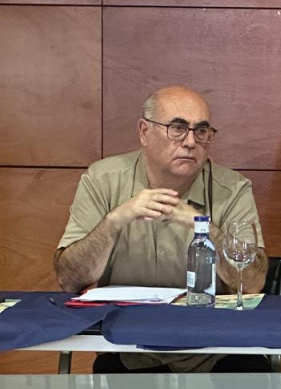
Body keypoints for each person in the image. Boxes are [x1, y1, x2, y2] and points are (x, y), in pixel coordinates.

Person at [55, 85, 268, 373]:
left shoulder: (232, 189)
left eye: (201, 131)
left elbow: (252, 283)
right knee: (115, 372)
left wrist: (201, 225)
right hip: (130, 348)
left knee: (250, 373)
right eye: (177, 128)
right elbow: (70, 280)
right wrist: (115, 220)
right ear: (145, 132)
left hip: (216, 345)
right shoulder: (102, 180)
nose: (190, 142)